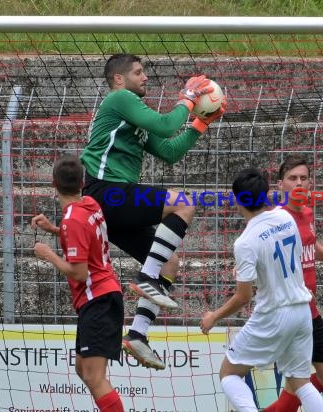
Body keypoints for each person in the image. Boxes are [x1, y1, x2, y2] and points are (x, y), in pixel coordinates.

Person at [80, 53, 226, 369]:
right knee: (183, 202)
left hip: (113, 201)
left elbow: (170, 150)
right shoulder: (120, 99)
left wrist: (201, 122)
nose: (145, 77)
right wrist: (189, 99)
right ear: (119, 79)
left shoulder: (133, 115)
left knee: (170, 262)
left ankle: (137, 335)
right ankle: (146, 277)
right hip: (105, 191)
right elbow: (166, 123)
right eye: (138, 71)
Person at [200, 168, 323, 412]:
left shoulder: (246, 241)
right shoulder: (285, 217)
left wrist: (214, 316)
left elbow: (243, 296)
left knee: (229, 372)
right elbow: (294, 256)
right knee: (300, 381)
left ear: (237, 201)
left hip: (274, 314)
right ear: (267, 194)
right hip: (301, 310)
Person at [32, 155, 124, 412]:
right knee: (82, 368)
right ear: (83, 183)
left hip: (98, 299)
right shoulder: (90, 204)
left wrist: (49, 255)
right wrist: (54, 229)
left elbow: (79, 273)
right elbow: (85, 236)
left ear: (53, 183)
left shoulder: (73, 220)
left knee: (95, 377)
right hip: (102, 297)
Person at [263, 156, 323, 411]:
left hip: (310, 310)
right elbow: (259, 248)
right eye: (293, 178)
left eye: (304, 178)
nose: (299, 182)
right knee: (299, 384)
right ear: (280, 185)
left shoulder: (307, 212)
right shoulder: (276, 219)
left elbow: (309, 245)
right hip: (288, 312)